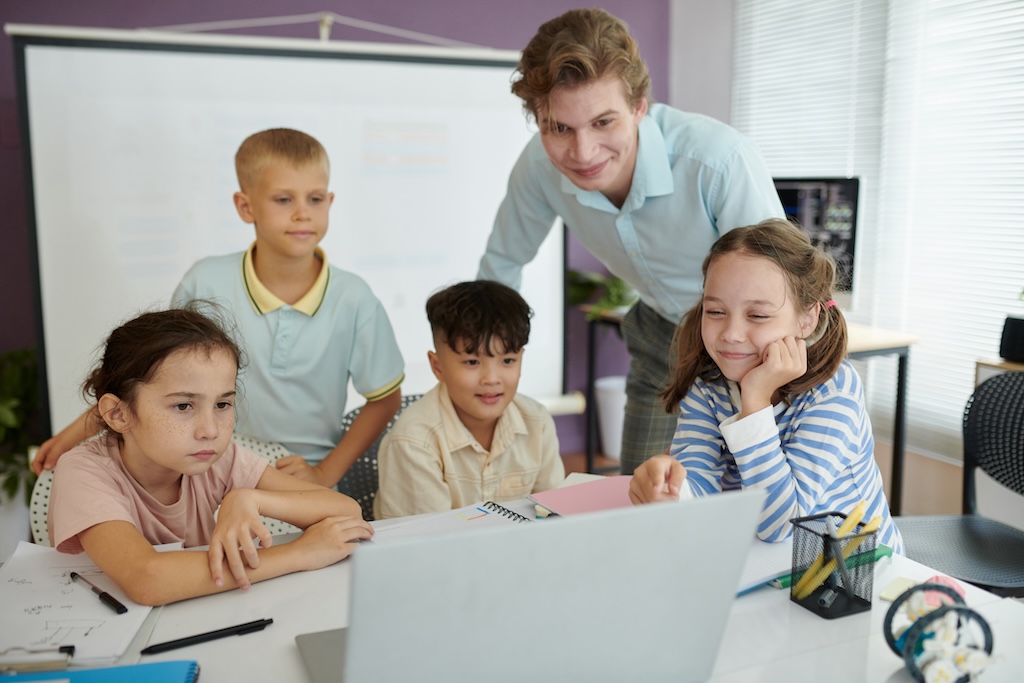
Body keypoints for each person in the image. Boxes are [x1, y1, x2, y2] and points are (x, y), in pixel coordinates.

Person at [477, 8, 784, 475]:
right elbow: (501, 266)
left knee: (751, 501)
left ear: (640, 106)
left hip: (750, 343)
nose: (583, 154)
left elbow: (782, 287)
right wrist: (479, 371)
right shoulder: (538, 168)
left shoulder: (718, 163)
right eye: (559, 127)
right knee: (639, 494)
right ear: (537, 120)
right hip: (662, 334)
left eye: (603, 122)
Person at [34, 128, 405, 488]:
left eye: (315, 199)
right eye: (283, 199)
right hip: (211, 470)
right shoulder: (206, 281)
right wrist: (72, 434)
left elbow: (385, 399)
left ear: (330, 202)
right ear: (246, 206)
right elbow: (153, 375)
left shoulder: (355, 297)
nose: (302, 214)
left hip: (300, 476)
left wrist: (325, 473)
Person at [48, 305, 374, 606]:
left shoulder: (218, 459)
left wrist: (249, 500)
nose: (210, 430)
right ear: (118, 414)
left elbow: (345, 510)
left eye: (222, 405)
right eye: (183, 406)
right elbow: (148, 578)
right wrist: (299, 554)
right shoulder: (83, 470)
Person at [628, 219, 904, 552]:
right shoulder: (708, 386)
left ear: (807, 319)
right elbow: (701, 487)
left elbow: (780, 523)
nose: (730, 333)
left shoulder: (834, 392)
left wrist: (755, 400)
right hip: (765, 562)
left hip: (854, 571)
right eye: (715, 311)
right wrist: (671, 489)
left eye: (757, 316)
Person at [373, 280, 564, 519]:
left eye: (508, 361)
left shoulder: (538, 422)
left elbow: (553, 515)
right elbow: (425, 543)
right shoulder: (414, 442)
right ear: (438, 366)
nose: (491, 379)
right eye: (472, 362)